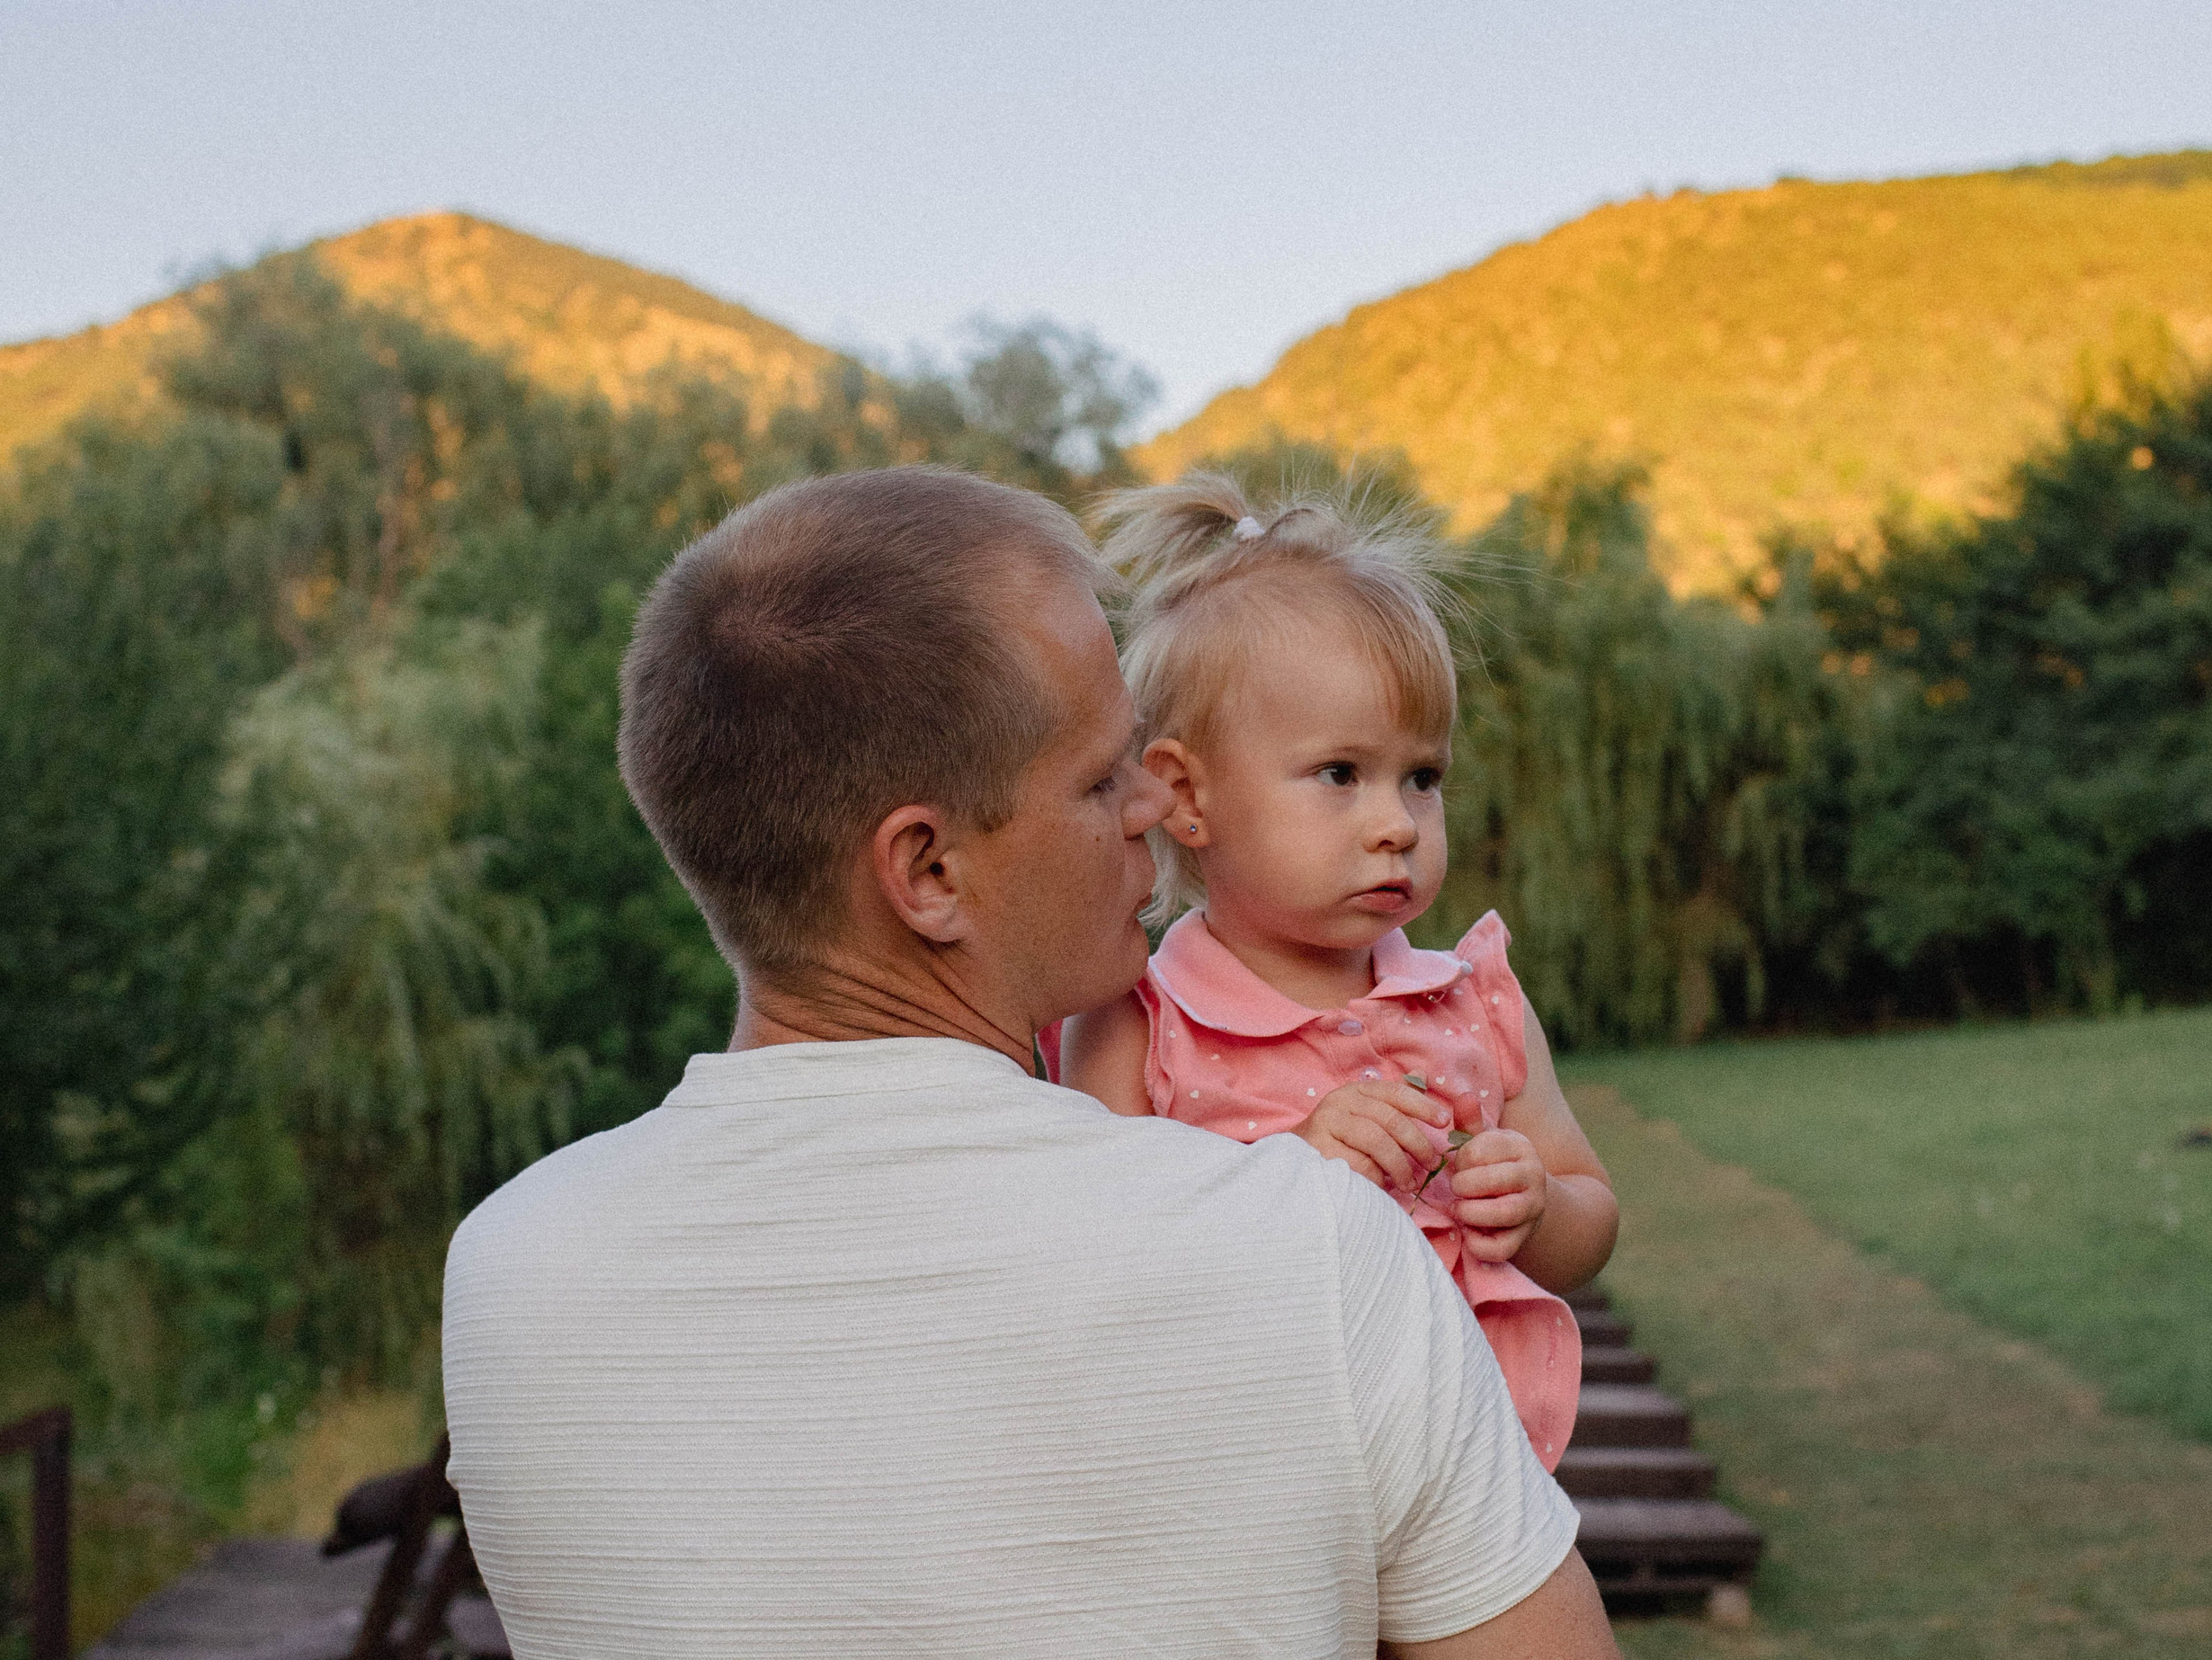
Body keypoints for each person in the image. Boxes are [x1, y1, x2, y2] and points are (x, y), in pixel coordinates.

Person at [441, 466, 1618, 1658]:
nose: (1156, 809)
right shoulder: (1315, 1250)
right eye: (1104, 776)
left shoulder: (504, 1278)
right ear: (929, 872)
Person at [1057, 474, 1619, 1472]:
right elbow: (1105, 1273)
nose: (1396, 821)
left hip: (1463, 1481)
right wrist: (1294, 1176)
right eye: (1339, 775)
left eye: (1422, 776)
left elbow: (1589, 1215)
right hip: (1253, 1485)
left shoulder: (1470, 1000)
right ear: (1187, 796)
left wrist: (1535, 1206)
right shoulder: (1141, 1019)